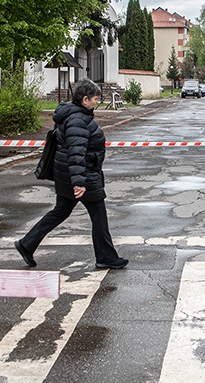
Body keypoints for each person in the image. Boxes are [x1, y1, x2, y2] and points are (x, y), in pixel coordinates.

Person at [15, 79, 128, 269]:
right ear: (85, 99)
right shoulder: (78, 120)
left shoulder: (74, 115)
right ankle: (106, 256)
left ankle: (27, 244)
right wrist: (79, 182)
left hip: (68, 175)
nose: (96, 102)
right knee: (98, 216)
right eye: (95, 99)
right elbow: (76, 153)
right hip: (82, 176)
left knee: (60, 212)